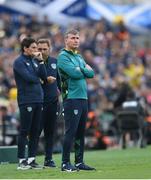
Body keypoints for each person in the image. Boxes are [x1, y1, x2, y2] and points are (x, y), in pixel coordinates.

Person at [13, 37, 54, 170]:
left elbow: (43, 76)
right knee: (25, 130)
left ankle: (31, 159)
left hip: (38, 99)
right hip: (27, 100)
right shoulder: (19, 62)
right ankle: (21, 160)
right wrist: (41, 79)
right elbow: (29, 78)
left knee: (36, 131)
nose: (37, 51)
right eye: (34, 48)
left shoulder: (35, 61)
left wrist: (41, 61)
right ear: (25, 49)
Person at [57, 29, 96, 172]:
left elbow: (91, 73)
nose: (76, 40)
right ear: (66, 40)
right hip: (71, 98)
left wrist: (81, 69)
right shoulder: (62, 57)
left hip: (83, 98)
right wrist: (82, 69)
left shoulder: (79, 57)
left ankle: (79, 162)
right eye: (73, 38)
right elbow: (74, 73)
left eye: (77, 38)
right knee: (70, 132)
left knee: (80, 132)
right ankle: (64, 163)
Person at [37, 38, 60, 168]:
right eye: (39, 49)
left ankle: (49, 159)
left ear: (49, 49)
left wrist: (63, 96)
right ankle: (30, 159)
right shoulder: (33, 63)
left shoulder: (54, 62)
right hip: (38, 102)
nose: (42, 51)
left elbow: (60, 82)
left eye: (45, 49)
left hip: (52, 103)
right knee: (35, 132)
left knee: (50, 133)